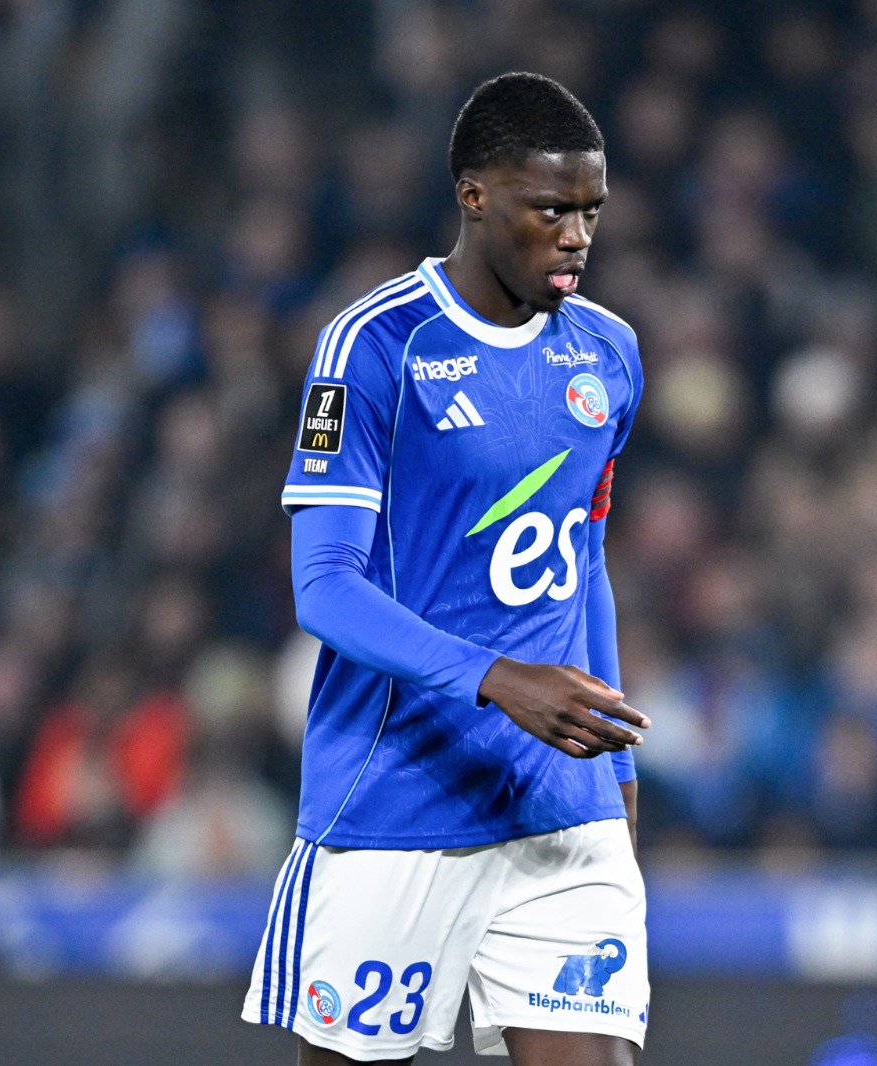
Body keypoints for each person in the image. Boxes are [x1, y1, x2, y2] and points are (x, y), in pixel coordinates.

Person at [242, 73, 650, 1066]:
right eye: (550, 210)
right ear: (474, 194)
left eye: (591, 212)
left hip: (559, 804)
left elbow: (582, 559)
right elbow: (324, 588)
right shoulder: (373, 345)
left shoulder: (609, 353)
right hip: (397, 796)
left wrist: (617, 767)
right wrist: (498, 679)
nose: (576, 237)